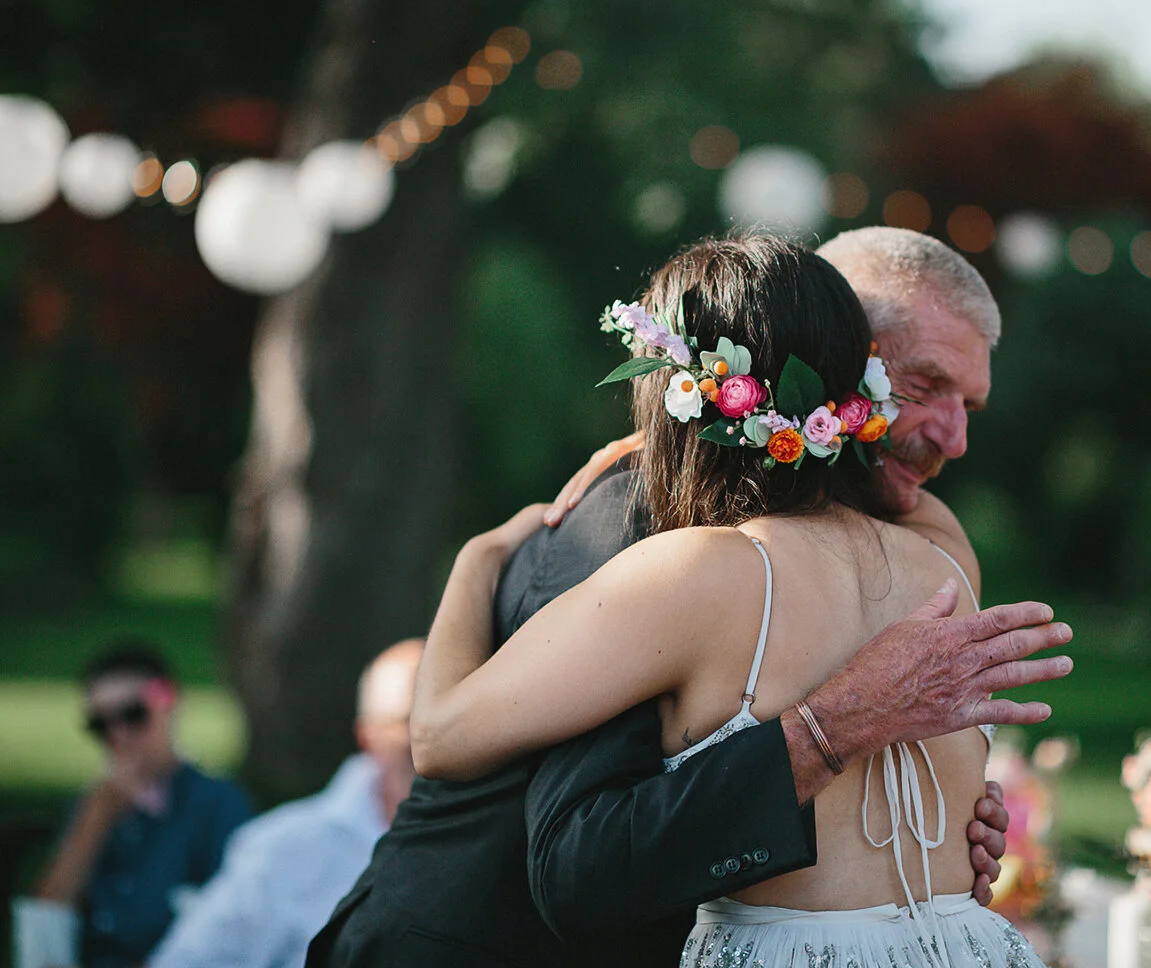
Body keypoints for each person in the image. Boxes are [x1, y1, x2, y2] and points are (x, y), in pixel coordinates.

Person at [307, 230, 1070, 968]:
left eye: (971, 404)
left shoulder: (888, 546)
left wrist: (930, 825)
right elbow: (584, 852)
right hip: (480, 945)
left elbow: (438, 735)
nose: (955, 438)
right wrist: (839, 731)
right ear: (842, 367)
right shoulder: (635, 525)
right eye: (923, 386)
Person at [147, 639, 422, 968]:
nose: (435, 734)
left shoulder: (494, 842)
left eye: (452, 717)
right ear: (368, 735)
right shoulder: (285, 849)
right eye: (411, 718)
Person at [32, 644, 253, 968]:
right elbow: (45, 922)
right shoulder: (93, 805)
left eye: (134, 715)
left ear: (170, 704)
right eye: (100, 724)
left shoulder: (218, 803)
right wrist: (95, 821)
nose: (119, 735)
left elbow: (235, 927)